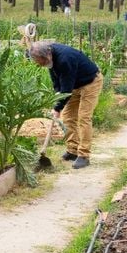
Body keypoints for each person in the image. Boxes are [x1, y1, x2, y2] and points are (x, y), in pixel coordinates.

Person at [29, 41, 103, 169]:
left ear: (47, 55)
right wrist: (57, 96)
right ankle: (72, 151)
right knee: (68, 117)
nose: (40, 65)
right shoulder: (49, 56)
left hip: (90, 83)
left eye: (41, 62)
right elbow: (56, 79)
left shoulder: (65, 59)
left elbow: (67, 89)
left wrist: (57, 108)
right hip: (74, 84)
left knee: (84, 117)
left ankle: (84, 155)